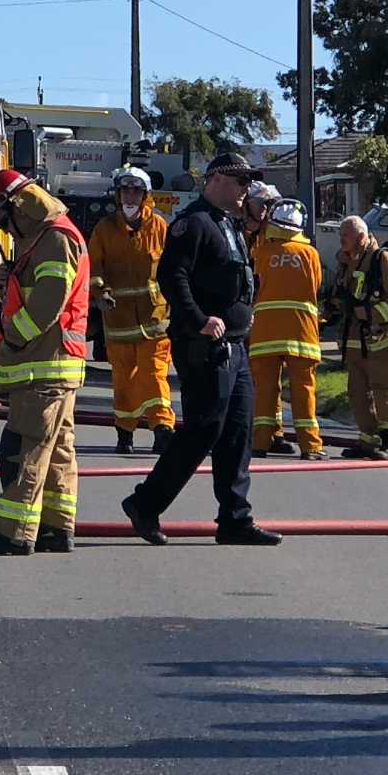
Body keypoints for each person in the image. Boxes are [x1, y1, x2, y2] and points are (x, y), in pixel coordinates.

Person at [120, 148, 278, 546]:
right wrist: (198, 319)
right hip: (205, 346)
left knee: (238, 432)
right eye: (241, 181)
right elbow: (173, 277)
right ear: (217, 180)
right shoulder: (193, 225)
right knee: (204, 428)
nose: (247, 189)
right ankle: (146, 503)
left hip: (236, 345)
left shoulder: (229, 224)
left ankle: (235, 519)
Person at [0, 168, 91, 555]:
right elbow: (40, 288)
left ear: (18, 207)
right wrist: (11, 278)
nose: (3, 229)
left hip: (43, 365)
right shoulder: (41, 238)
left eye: (2, 221)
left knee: (27, 448)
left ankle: (12, 532)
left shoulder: (54, 238)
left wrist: (14, 339)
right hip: (53, 365)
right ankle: (56, 526)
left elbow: (48, 303)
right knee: (57, 451)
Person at [89, 165, 173, 453]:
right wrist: (100, 293)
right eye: (125, 189)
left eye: (136, 190)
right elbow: (94, 267)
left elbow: (173, 270)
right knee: (124, 381)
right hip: (118, 322)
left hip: (155, 321)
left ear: (146, 195)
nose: (130, 195)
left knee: (153, 374)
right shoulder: (104, 229)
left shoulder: (160, 227)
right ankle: (125, 434)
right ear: (117, 193)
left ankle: (163, 429)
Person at [327, 213, 388, 456]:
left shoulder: (382, 260)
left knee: (386, 390)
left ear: (361, 237)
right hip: (355, 343)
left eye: (346, 235)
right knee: (358, 394)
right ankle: (369, 440)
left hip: (381, 341)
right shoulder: (345, 261)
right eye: (341, 235)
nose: (341, 239)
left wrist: (372, 314)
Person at [250, 196, 326, 456]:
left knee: (265, 391)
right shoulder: (311, 254)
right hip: (301, 332)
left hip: (265, 333)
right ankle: (311, 446)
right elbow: (316, 287)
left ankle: (260, 443)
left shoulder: (262, 252)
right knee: (304, 390)